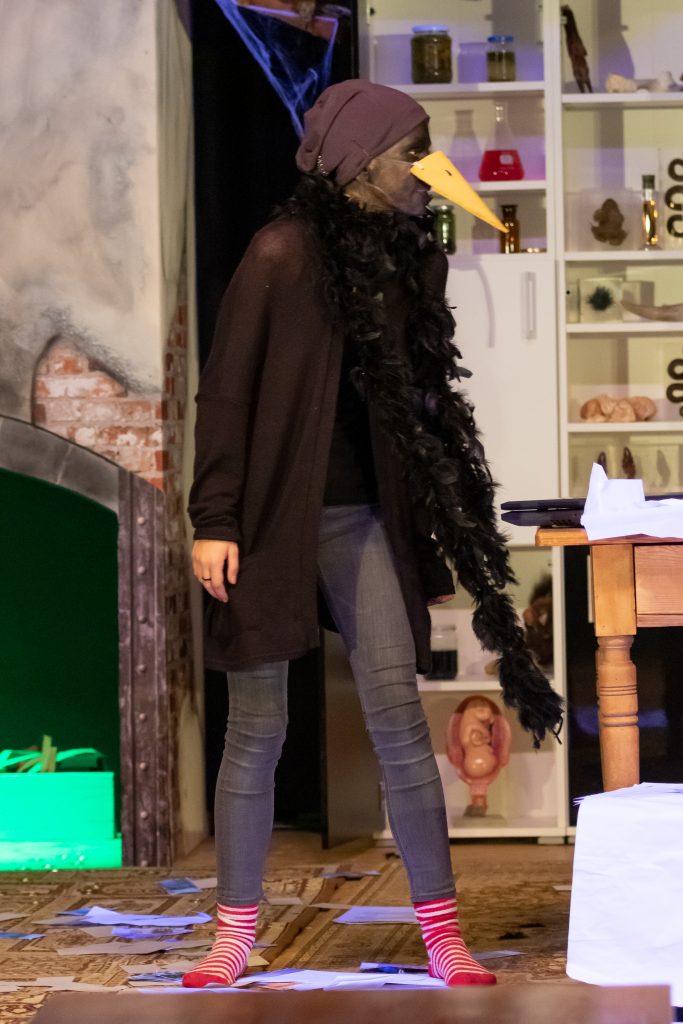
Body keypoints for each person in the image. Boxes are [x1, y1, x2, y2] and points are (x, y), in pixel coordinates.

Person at [183, 80, 563, 990]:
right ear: (357, 162)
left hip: (363, 522)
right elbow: (226, 391)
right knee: (257, 728)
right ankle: (231, 935)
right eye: (411, 153)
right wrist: (214, 520)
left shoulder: (406, 262)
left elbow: (422, 409)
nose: (428, 168)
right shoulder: (280, 253)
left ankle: (441, 935)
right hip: (268, 521)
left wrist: (433, 526)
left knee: (397, 715)